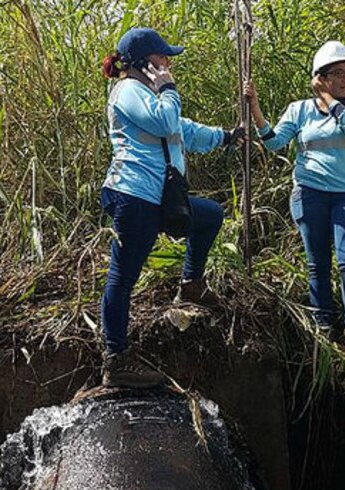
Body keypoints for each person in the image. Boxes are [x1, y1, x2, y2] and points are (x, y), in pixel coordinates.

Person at [99, 27, 244, 387]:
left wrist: (227, 136)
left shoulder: (150, 96)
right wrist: (168, 88)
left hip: (157, 197)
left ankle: (191, 284)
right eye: (162, 57)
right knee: (122, 277)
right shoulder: (128, 91)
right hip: (133, 195)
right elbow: (165, 121)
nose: (168, 63)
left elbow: (183, 130)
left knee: (209, 215)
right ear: (143, 62)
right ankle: (115, 360)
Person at [243, 41, 345, 351]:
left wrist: (326, 96)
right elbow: (274, 142)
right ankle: (323, 326)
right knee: (318, 263)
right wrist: (255, 107)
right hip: (310, 193)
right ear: (320, 77)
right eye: (337, 73)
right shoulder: (299, 110)